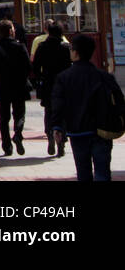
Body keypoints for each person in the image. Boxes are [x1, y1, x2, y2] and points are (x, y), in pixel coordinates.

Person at [51, 34, 121, 181]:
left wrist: (57, 126)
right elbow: (120, 102)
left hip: (77, 131)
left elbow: (58, 104)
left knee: (83, 172)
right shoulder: (104, 76)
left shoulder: (64, 77)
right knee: (103, 172)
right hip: (102, 130)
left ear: (75, 52)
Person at [0, 18, 32, 156]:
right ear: (10, 31)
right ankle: (18, 134)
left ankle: (7, 146)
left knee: (4, 118)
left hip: (3, 86)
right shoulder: (20, 47)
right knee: (19, 114)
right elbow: (28, 66)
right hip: (19, 86)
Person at [32, 22, 72, 156]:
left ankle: (50, 135)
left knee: (49, 111)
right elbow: (71, 66)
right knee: (63, 113)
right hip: (64, 84)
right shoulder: (66, 47)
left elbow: (35, 67)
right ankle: (61, 142)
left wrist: (40, 78)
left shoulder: (42, 46)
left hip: (48, 83)